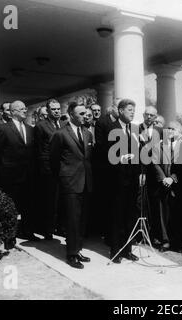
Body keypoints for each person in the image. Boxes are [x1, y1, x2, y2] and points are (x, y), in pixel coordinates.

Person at [50, 102, 93, 269]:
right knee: (72, 220)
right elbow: (54, 161)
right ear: (71, 114)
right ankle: (71, 254)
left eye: (85, 113)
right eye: (81, 114)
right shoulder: (60, 134)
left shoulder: (88, 133)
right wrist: (63, 178)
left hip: (86, 182)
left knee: (82, 220)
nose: (85, 116)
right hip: (70, 182)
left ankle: (78, 248)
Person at [0, 100, 39, 241]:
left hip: (28, 176)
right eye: (22, 109)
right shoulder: (3, 129)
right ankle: (9, 235)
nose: (25, 110)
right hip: (10, 177)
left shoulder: (30, 129)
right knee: (10, 207)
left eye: (25, 108)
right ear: (13, 112)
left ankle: (27, 231)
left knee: (28, 205)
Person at [107, 99, 142, 263]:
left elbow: (140, 152)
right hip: (118, 179)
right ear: (120, 111)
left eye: (133, 110)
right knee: (117, 215)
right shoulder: (111, 129)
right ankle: (115, 250)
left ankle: (127, 249)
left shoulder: (135, 129)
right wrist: (119, 158)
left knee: (130, 215)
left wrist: (142, 172)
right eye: (129, 110)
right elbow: (103, 154)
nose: (132, 113)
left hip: (133, 179)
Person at [153, 121, 182, 252]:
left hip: (178, 185)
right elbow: (155, 163)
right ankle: (166, 240)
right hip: (163, 184)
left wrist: (173, 178)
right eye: (168, 129)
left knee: (178, 214)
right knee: (163, 213)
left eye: (173, 129)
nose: (170, 131)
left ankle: (178, 241)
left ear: (180, 132)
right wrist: (164, 178)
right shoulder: (160, 145)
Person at [34, 98, 61, 240]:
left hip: (63, 168)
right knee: (49, 200)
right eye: (53, 109)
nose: (56, 111)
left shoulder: (63, 124)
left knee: (61, 200)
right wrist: (45, 169)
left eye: (58, 109)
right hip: (48, 169)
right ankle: (47, 229)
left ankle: (59, 227)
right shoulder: (41, 126)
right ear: (48, 111)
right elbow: (39, 150)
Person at [91, 104, 119, 238]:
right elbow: (101, 145)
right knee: (105, 201)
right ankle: (104, 231)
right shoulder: (103, 122)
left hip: (119, 169)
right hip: (106, 168)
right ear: (113, 108)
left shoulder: (123, 123)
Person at [139, 106, 163, 246]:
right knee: (140, 203)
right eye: (146, 114)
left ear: (155, 117)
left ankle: (154, 235)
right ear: (143, 115)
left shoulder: (160, 131)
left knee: (154, 204)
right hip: (141, 171)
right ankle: (140, 233)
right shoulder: (135, 129)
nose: (148, 117)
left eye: (151, 115)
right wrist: (140, 172)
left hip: (155, 173)